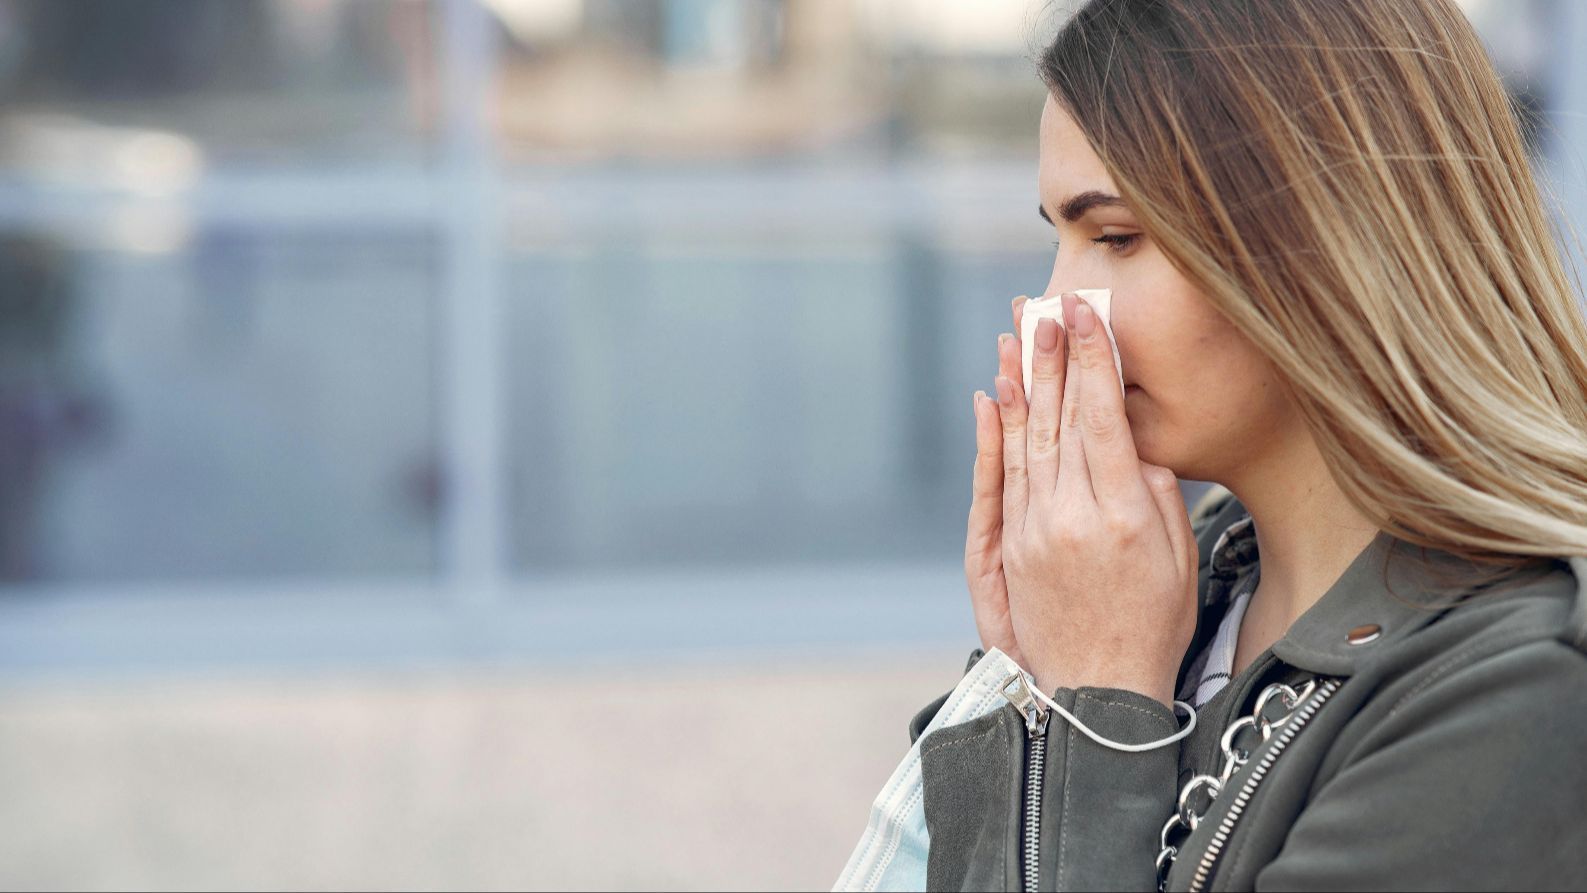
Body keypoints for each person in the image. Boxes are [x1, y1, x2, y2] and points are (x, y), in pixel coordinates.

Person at [848, 0, 1587, 890]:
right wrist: (1033, 684)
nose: (1049, 311)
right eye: (1059, 240)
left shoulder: (1518, 690)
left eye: (1115, 237)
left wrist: (1092, 704)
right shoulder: (1167, 595)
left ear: (1324, 242)